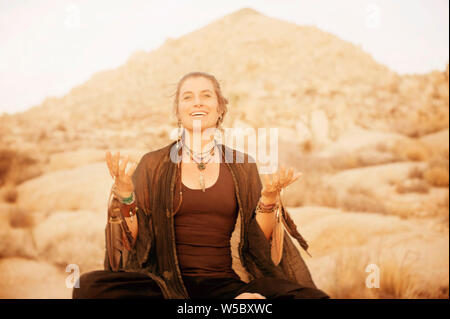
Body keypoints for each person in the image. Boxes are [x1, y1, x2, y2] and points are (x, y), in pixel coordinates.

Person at [72, 72, 329, 299]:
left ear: (220, 109)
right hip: (163, 285)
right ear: (178, 111)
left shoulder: (242, 165)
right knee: (88, 286)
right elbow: (134, 243)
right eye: (187, 97)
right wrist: (127, 195)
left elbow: (257, 243)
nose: (197, 102)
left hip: (224, 286)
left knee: (310, 297)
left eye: (206, 96)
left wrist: (270, 197)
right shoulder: (153, 164)